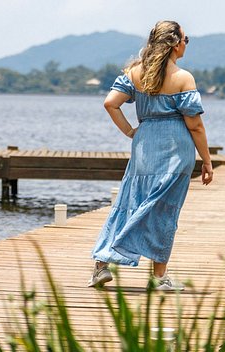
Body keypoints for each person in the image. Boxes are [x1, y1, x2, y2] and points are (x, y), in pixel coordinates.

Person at [88, 20, 214, 291]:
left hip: (145, 144)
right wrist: (207, 159)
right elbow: (195, 124)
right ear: (174, 44)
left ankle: (102, 263)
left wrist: (132, 132)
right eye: (185, 38)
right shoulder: (183, 78)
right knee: (164, 210)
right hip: (176, 149)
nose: (186, 43)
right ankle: (158, 277)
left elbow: (110, 103)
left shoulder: (136, 73)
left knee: (129, 200)